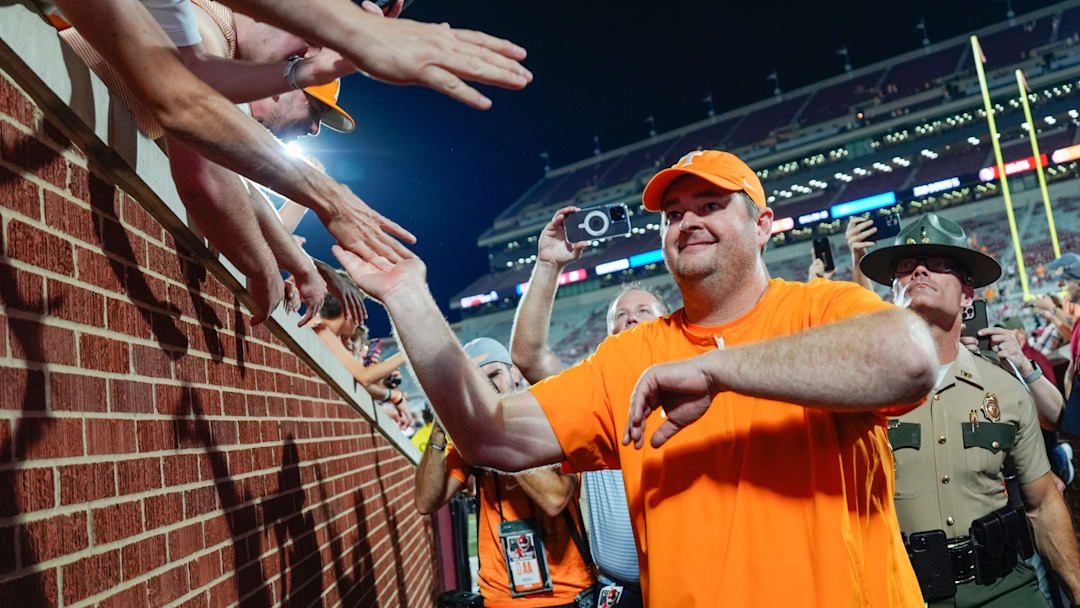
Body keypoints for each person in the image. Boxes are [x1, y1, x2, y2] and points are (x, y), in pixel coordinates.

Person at [337, 150, 942, 606]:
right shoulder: (631, 358)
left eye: (711, 206)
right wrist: (408, 297)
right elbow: (488, 435)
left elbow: (911, 357)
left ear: (762, 227)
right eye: (674, 213)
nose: (688, 223)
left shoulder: (820, 308)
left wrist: (718, 368)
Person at [858, 213, 1080, 606]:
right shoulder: (861, 395)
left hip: (1005, 589)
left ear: (967, 296)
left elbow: (1044, 504)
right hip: (901, 593)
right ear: (893, 293)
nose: (920, 270)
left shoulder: (1006, 391)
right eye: (905, 268)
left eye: (939, 264)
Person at [509, 206, 669, 608]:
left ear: (669, 323)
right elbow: (528, 356)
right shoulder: (595, 392)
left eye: (643, 311)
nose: (630, 319)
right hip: (620, 592)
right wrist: (548, 264)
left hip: (693, 583)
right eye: (620, 316)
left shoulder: (699, 385)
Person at [414, 338, 594, 608]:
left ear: (515, 373)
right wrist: (439, 431)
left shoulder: (551, 419)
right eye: (477, 383)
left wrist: (497, 430)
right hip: (499, 597)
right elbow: (425, 502)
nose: (488, 389)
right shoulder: (470, 440)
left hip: (566, 593)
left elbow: (555, 498)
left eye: (494, 375)